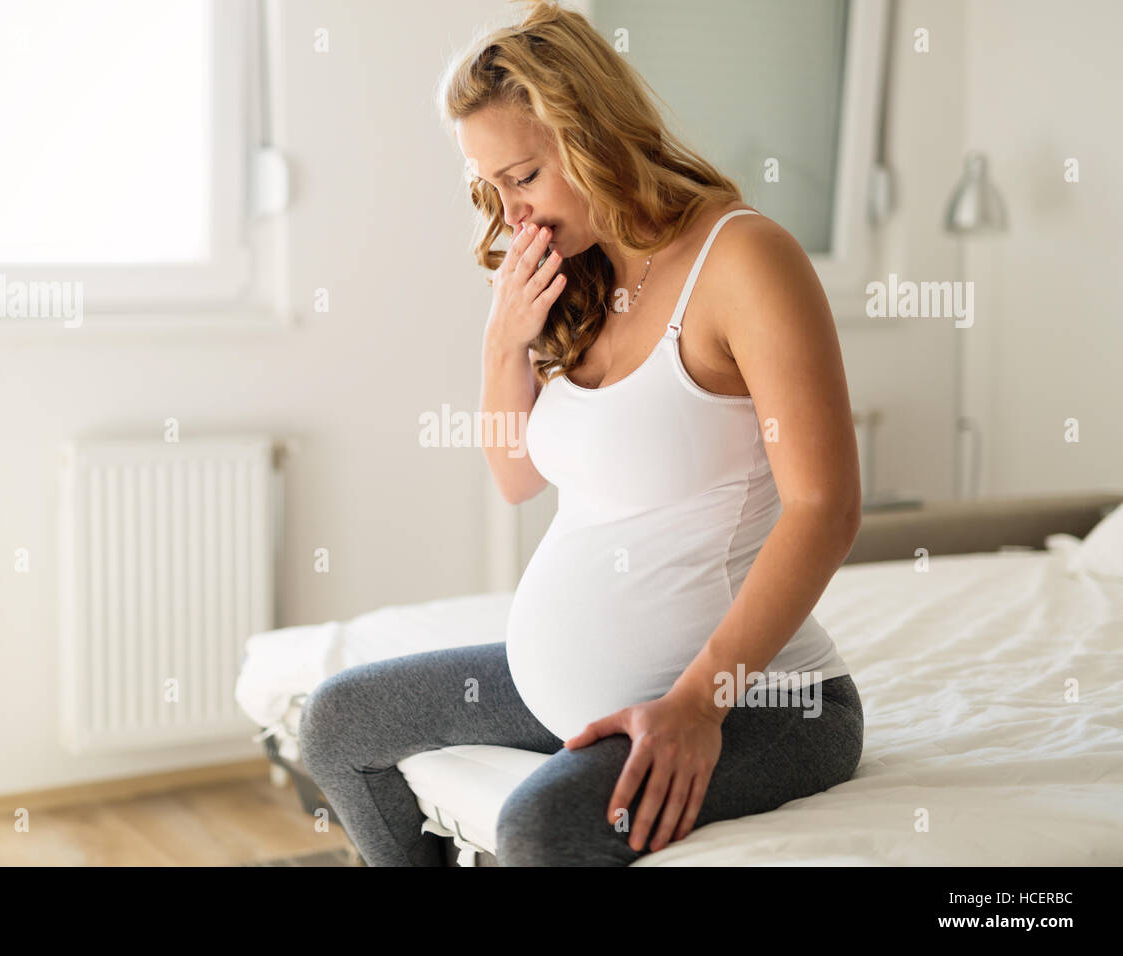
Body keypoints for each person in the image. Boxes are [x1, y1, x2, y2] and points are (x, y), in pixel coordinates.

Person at [298, 0, 864, 867]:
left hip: (762, 703)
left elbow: (825, 508)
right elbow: (517, 477)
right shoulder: (584, 274)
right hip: (582, 692)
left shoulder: (746, 262)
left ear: (593, 133)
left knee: (539, 830)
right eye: (490, 189)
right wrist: (503, 343)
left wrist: (697, 707)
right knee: (342, 721)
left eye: (522, 177)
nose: (511, 214)